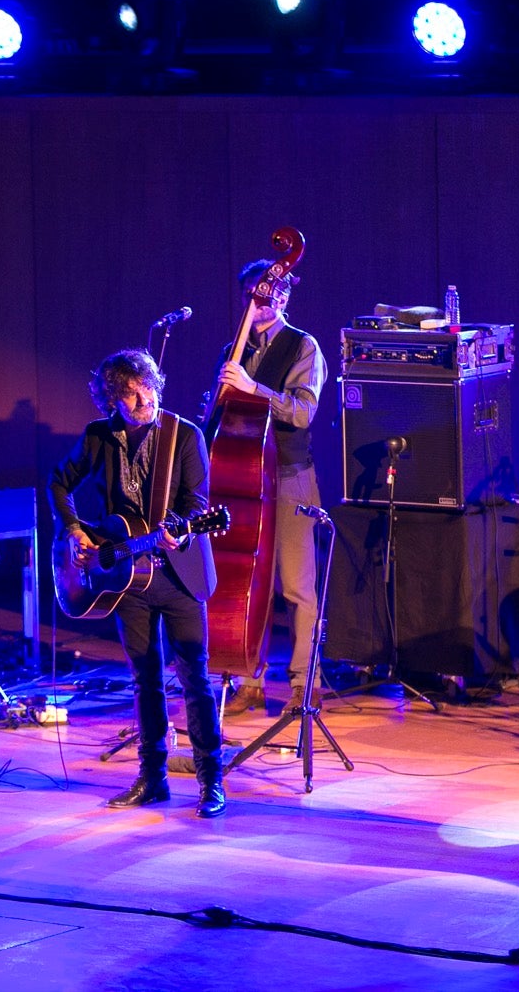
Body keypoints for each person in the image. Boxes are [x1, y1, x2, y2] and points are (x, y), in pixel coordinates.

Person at [50, 348, 226, 818]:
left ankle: (212, 782)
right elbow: (59, 482)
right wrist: (74, 530)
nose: (142, 398)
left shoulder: (183, 435)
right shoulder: (98, 437)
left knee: (195, 678)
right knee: (144, 680)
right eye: (129, 394)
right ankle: (153, 780)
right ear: (112, 401)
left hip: (180, 573)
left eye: (146, 386)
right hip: (127, 577)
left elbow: (198, 502)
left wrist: (181, 529)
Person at [215, 258, 328, 717]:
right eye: (252, 296)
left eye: (266, 296)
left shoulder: (304, 347)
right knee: (246, 583)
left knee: (296, 588)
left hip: (289, 477)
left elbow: (302, 412)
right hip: (244, 480)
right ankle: (248, 679)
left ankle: (306, 683)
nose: (258, 303)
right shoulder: (234, 348)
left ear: (282, 298)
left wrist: (252, 387)